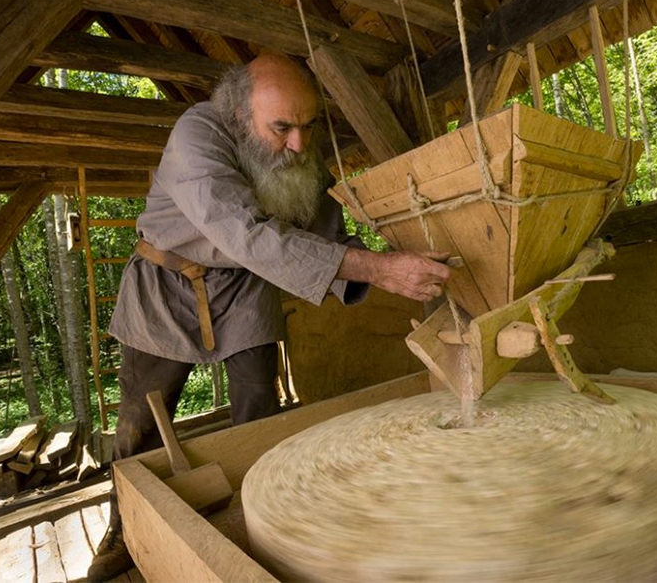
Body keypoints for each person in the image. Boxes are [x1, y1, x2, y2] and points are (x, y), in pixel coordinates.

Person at [87, 54, 451, 581]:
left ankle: (267, 518)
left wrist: (399, 257)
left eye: (307, 126)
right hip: (165, 283)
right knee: (139, 424)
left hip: (245, 288)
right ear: (239, 114)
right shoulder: (197, 136)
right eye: (282, 127)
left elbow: (327, 228)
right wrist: (379, 269)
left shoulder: (298, 147)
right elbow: (246, 234)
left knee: (260, 411)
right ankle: (124, 528)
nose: (299, 143)